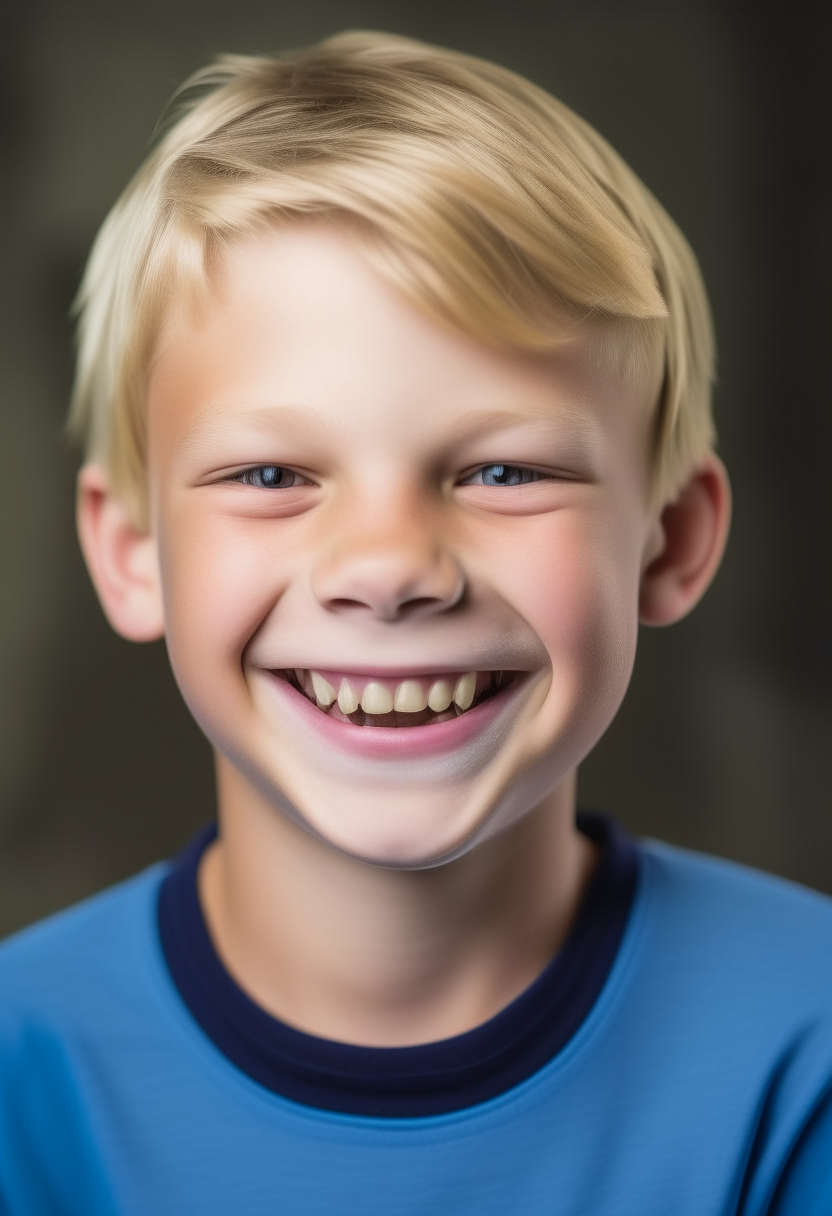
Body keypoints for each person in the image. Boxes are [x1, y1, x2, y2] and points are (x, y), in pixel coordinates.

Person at [0, 31, 829, 1215]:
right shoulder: (22, 1076)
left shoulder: (804, 1050)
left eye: (500, 472)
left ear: (674, 538)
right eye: (274, 474)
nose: (386, 569)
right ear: (133, 552)